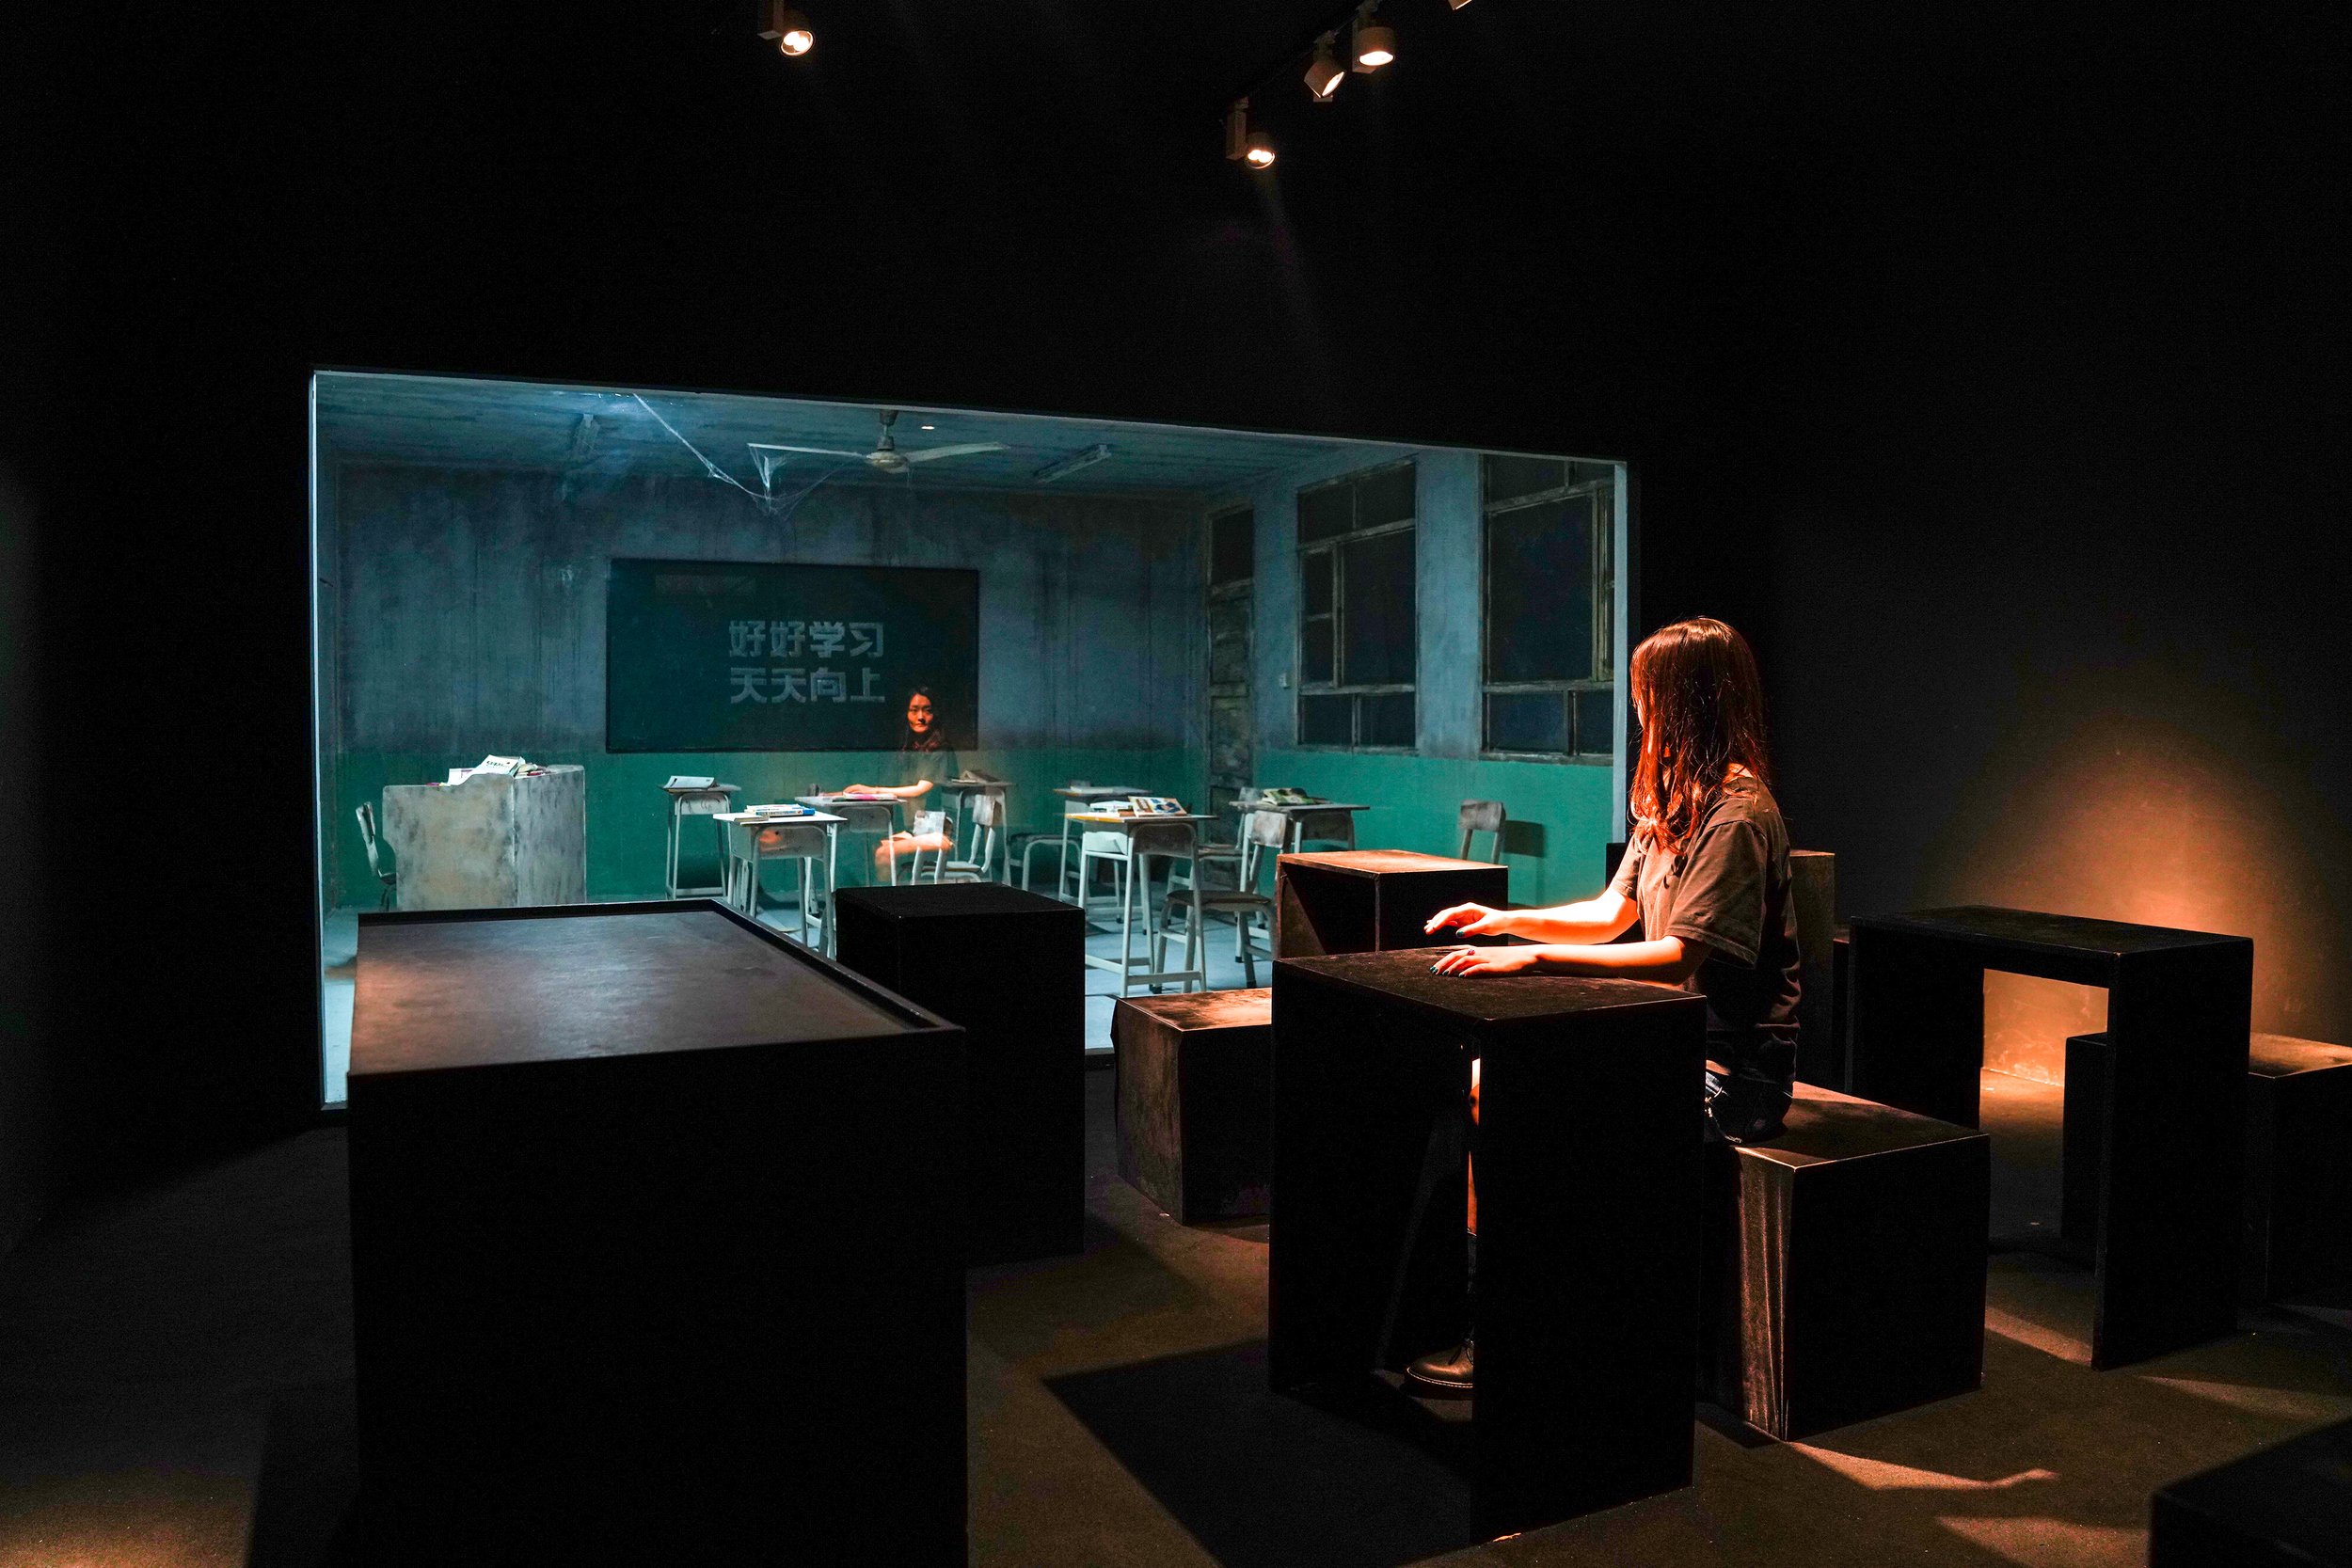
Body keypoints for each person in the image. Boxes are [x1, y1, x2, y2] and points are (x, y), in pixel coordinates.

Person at [1404, 616, 1803, 1394]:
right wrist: (1508, 918)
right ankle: (1503, 1310)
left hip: (1734, 1073)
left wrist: (1531, 958)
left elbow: (1679, 954)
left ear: (1686, 702)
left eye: (1649, 696)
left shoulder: (1738, 813)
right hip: (1671, 1042)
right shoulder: (1676, 803)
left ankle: (1509, 1331)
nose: (1639, 711)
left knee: (1513, 1095)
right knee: (1485, 1081)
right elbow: (1613, 911)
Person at [841, 686, 961, 879]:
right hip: (915, 830)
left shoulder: (941, 749)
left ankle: (893, 904)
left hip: (939, 831)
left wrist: (873, 790)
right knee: (874, 847)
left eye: (927, 711)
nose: (920, 717)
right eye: (914, 710)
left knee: (884, 854)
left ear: (935, 714)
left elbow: (920, 790)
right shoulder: (910, 748)